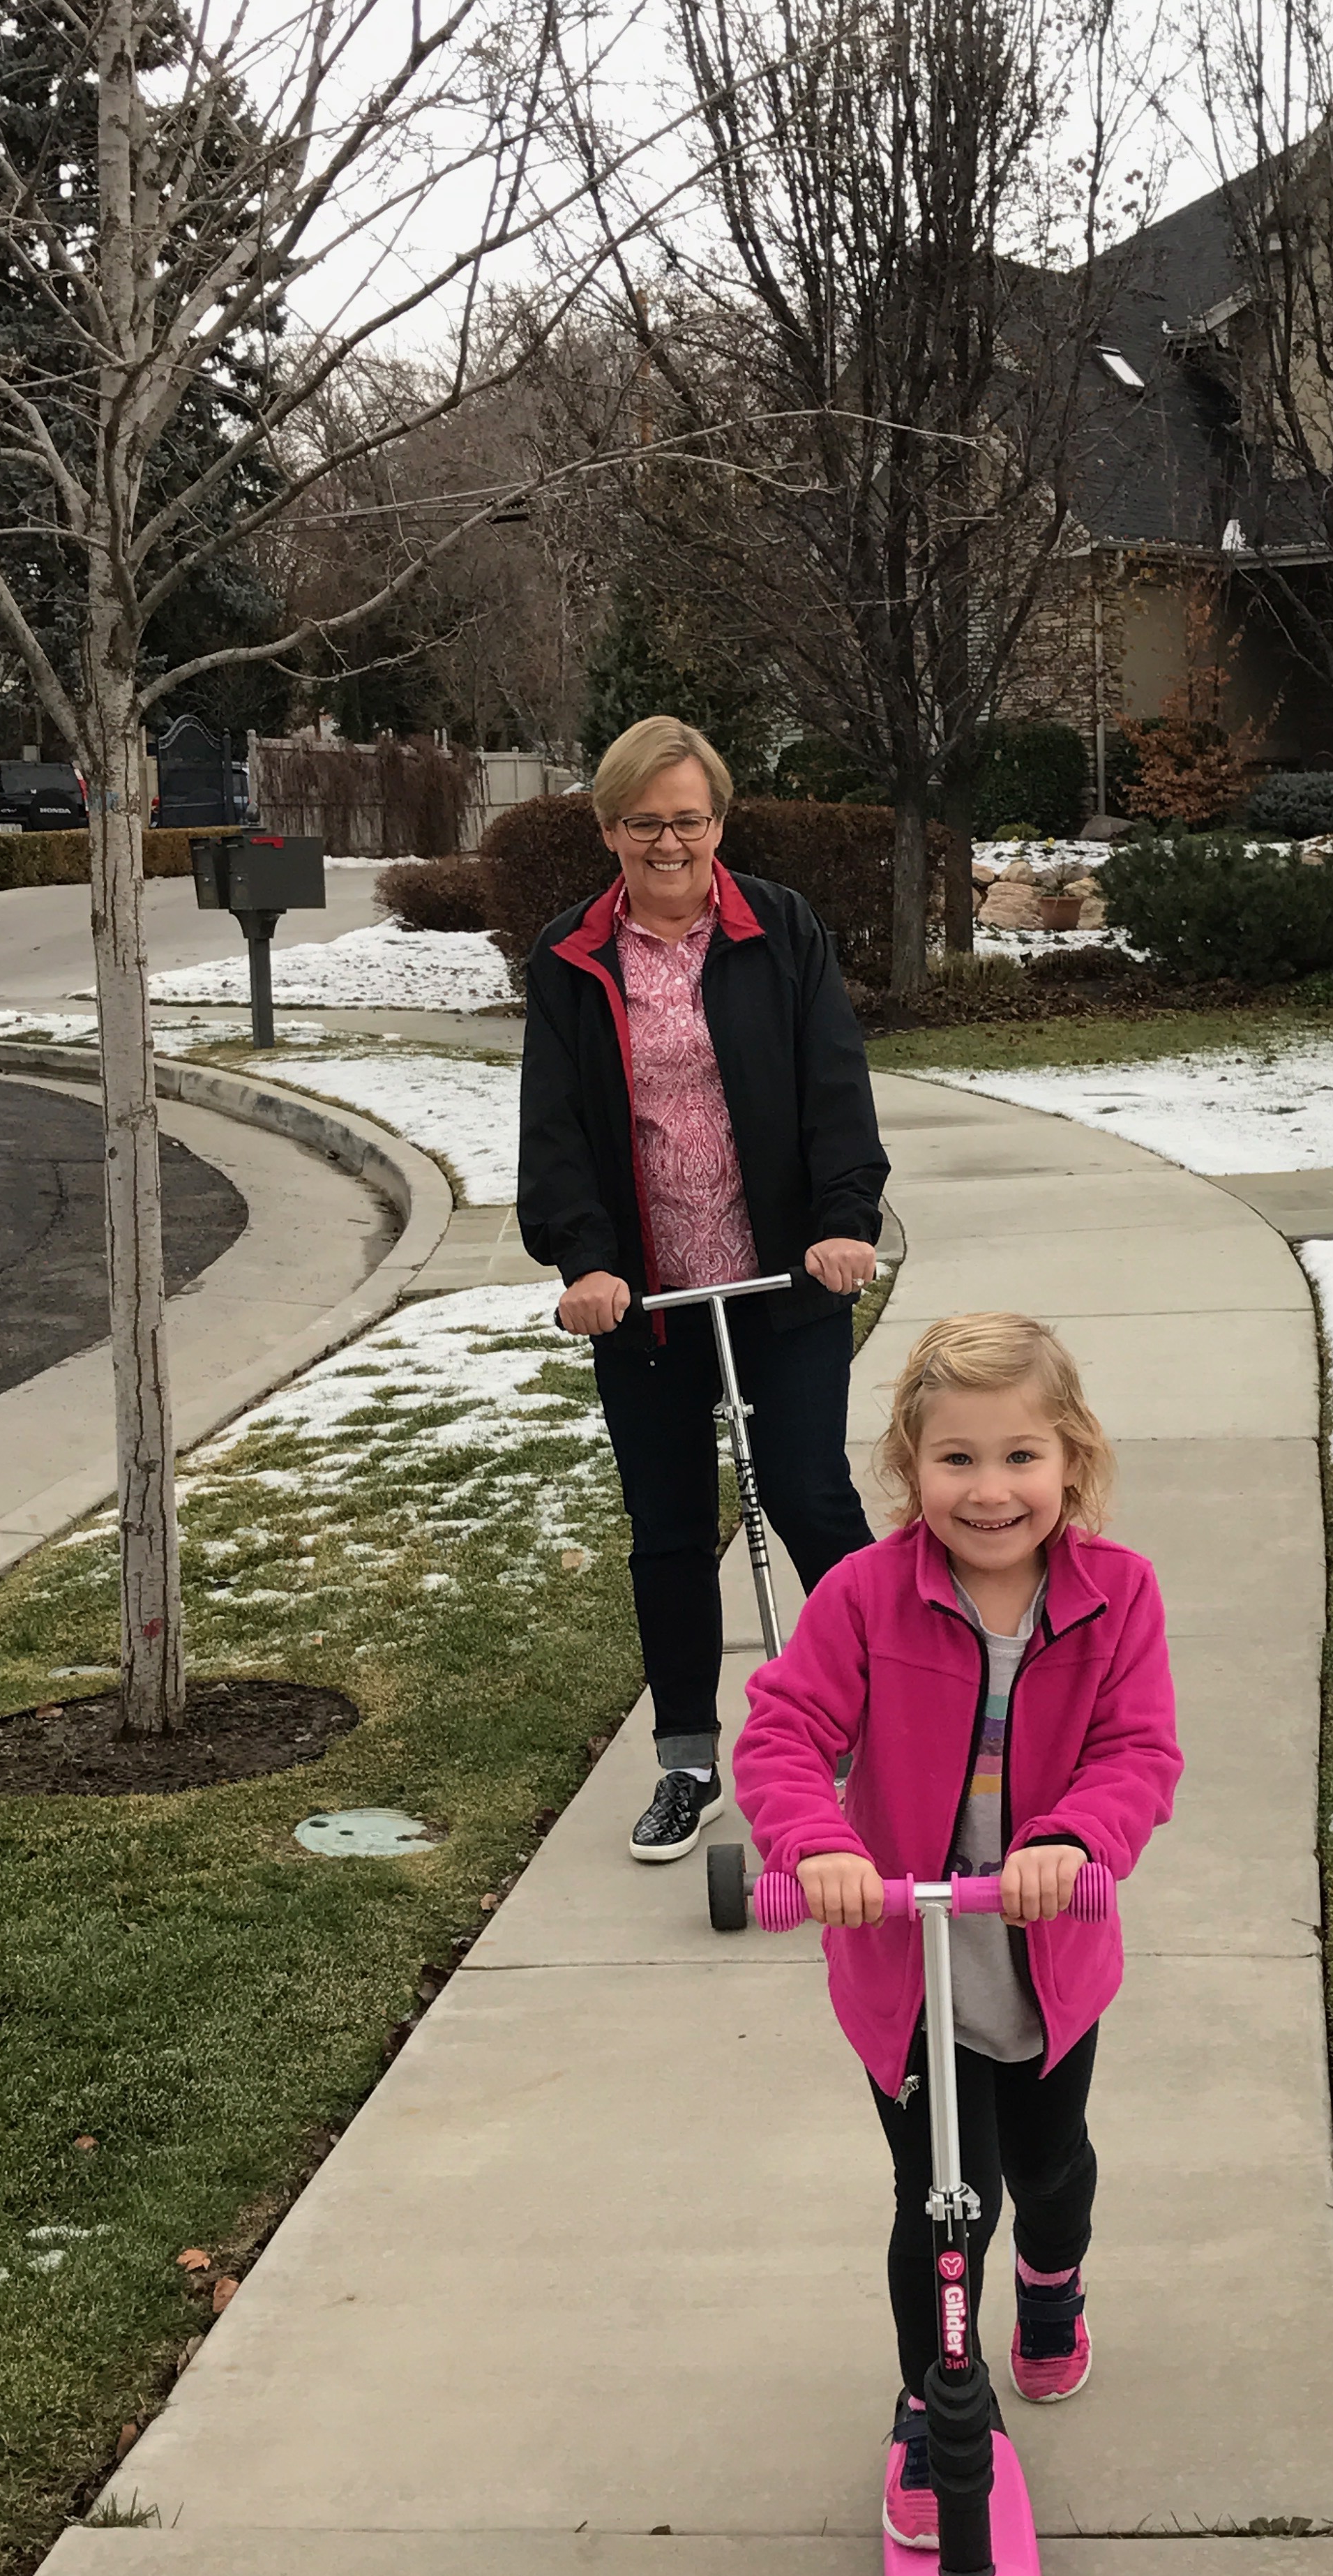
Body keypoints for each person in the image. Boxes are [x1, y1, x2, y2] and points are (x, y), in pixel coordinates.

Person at [732, 1312, 1182, 2547]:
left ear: (1073, 1459)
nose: (990, 1491)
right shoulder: (864, 1597)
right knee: (945, 2200)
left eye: (1021, 1456)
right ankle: (935, 2408)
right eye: (958, 1460)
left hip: (1047, 1959)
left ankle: (1053, 2283)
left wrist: (1076, 1840)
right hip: (911, 1964)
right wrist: (818, 1845)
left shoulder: (1118, 1595)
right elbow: (783, 1732)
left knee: (1047, 2169)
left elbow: (1139, 1751)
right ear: (910, 1465)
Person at [518, 715, 889, 1863]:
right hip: (648, 1301)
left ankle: (884, 1724)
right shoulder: (572, 954)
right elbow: (556, 1126)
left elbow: (834, 1084)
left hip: (786, 1276)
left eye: (687, 819)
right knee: (670, 1530)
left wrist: (844, 1223)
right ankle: (688, 1761)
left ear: (719, 823)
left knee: (809, 1496)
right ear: (608, 829)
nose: (668, 842)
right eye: (643, 822)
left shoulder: (779, 928)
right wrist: (584, 1262)